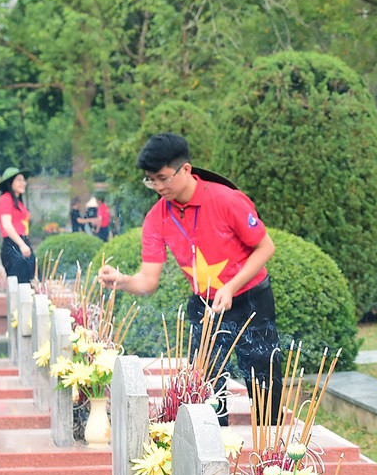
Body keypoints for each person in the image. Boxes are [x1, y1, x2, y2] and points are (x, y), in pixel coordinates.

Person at [97, 133, 283, 424]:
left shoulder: (226, 199)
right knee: (207, 389)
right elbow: (148, 280)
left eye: (163, 178)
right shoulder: (156, 218)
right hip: (205, 304)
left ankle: (271, 454)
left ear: (185, 169)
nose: (158, 187)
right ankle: (213, 453)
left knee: (263, 378)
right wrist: (120, 280)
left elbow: (265, 247)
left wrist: (232, 286)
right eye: (151, 180)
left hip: (250, 298)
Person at [0, 167, 36, 282]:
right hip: (13, 245)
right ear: (10, 182)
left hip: (22, 242)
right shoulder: (5, 199)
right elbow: (6, 225)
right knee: (20, 284)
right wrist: (21, 245)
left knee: (29, 282)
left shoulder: (18, 202)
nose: (23, 183)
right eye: (19, 180)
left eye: (24, 180)